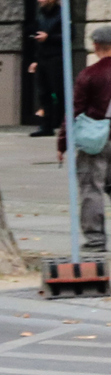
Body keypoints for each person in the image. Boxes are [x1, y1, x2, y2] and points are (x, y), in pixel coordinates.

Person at [66, 24, 111, 255]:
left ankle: (95, 241)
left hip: (97, 140)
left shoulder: (90, 74)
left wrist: (63, 141)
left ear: (95, 46)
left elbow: (74, 109)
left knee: (92, 188)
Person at [30, 0, 66, 138]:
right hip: (43, 58)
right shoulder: (40, 14)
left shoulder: (62, 14)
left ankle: (64, 123)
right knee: (43, 93)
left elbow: (69, 36)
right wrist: (35, 60)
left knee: (58, 92)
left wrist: (48, 37)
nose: (40, 0)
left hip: (56, 58)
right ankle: (46, 126)